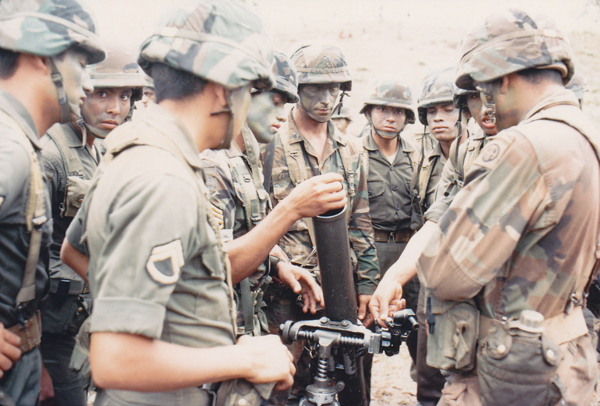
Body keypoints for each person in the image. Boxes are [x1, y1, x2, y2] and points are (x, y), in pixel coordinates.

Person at [78, 1, 346, 405]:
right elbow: (116, 360)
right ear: (225, 89)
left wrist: (191, 326)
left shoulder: (132, 149)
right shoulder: (163, 180)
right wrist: (238, 359)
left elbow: (75, 250)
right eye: (252, 90)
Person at [374, 9, 600, 406]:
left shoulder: (523, 146)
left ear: (505, 77)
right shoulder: (585, 138)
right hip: (562, 358)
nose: (485, 105)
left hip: (508, 371)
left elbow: (446, 273)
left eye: (484, 89)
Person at [0, 1, 106, 404]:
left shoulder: (21, 144)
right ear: (42, 57)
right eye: (82, 63)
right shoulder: (7, 149)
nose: (91, 84)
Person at [268, 42, 379, 405]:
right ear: (297, 89)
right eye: (316, 88)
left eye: (334, 89)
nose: (326, 99)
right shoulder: (271, 142)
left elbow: (360, 219)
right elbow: (259, 221)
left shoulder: (351, 148)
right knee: (282, 382)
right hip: (285, 287)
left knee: (346, 378)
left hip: (336, 284)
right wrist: (286, 269)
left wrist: (366, 283)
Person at [38, 44, 145, 406]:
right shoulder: (50, 155)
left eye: (125, 96)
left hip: (80, 328)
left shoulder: (97, 150)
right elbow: (16, 261)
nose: (115, 108)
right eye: (102, 94)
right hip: (46, 338)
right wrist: (33, 358)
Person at [200, 52, 325, 339]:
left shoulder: (247, 157)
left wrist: (281, 265)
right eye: (275, 101)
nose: (282, 114)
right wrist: (291, 209)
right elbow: (219, 267)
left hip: (245, 321)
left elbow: (249, 231)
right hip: (216, 331)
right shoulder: (212, 164)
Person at [411, 68, 466, 231]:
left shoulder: (484, 154)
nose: (438, 118)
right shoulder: (424, 167)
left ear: (466, 111)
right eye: (431, 112)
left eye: (448, 110)